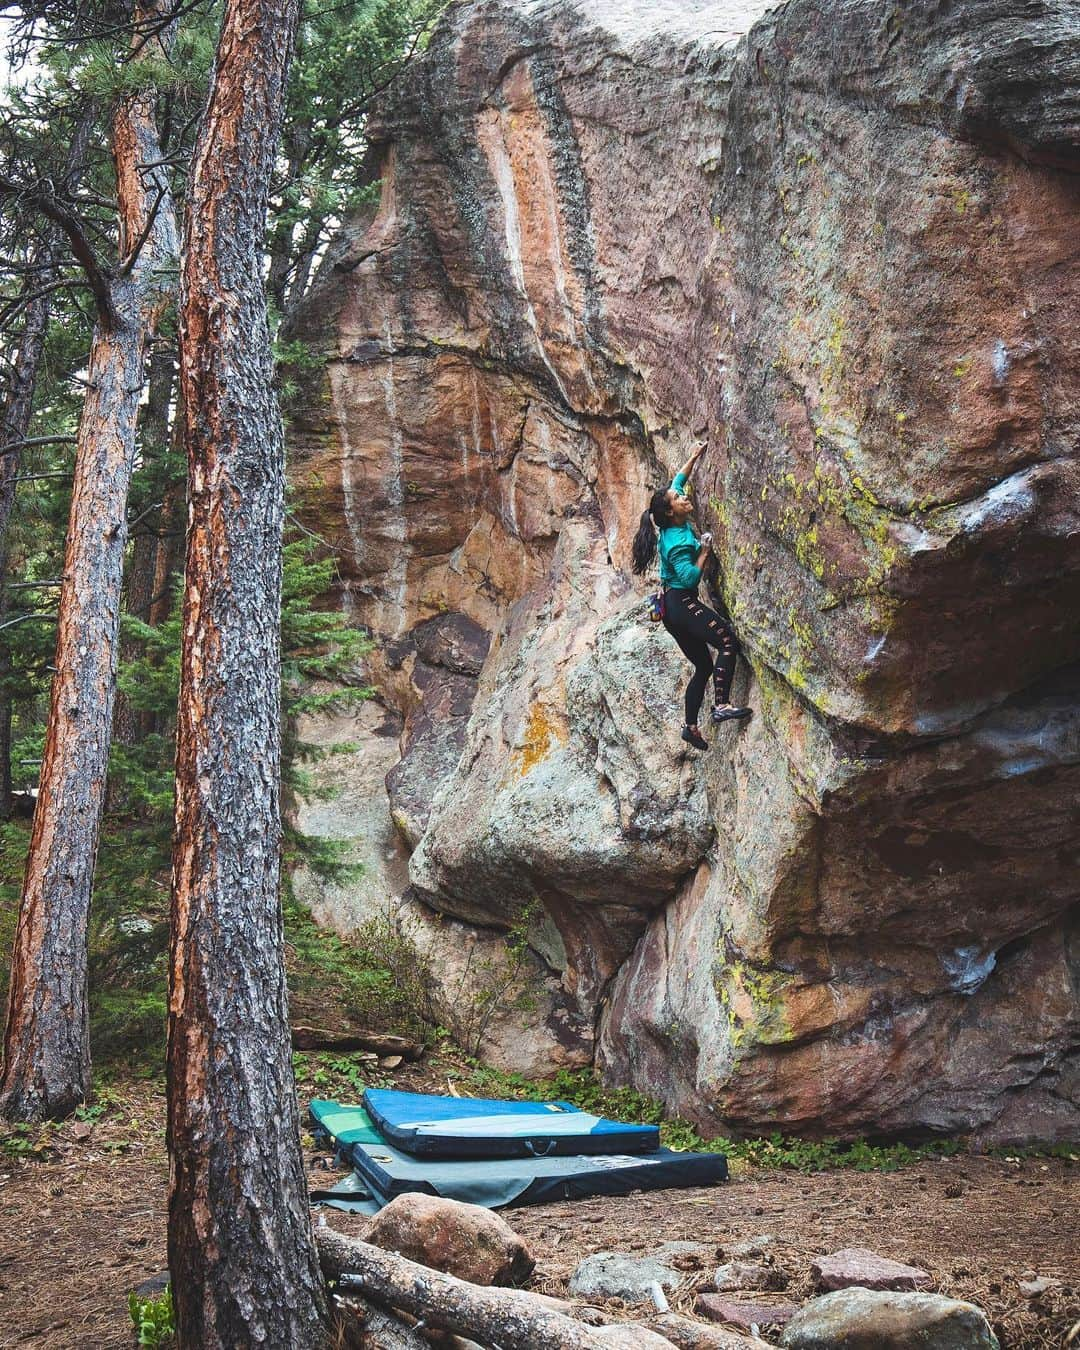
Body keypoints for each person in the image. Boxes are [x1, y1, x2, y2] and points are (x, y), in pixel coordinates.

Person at [631, 441, 751, 750]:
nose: (684, 496)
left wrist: (694, 456)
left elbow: (678, 480)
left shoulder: (673, 523)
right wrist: (705, 551)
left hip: (671, 609)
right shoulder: (678, 541)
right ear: (671, 512)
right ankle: (722, 705)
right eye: (678, 498)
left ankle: (690, 727)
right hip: (681, 603)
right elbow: (689, 577)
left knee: (704, 666)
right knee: (726, 641)